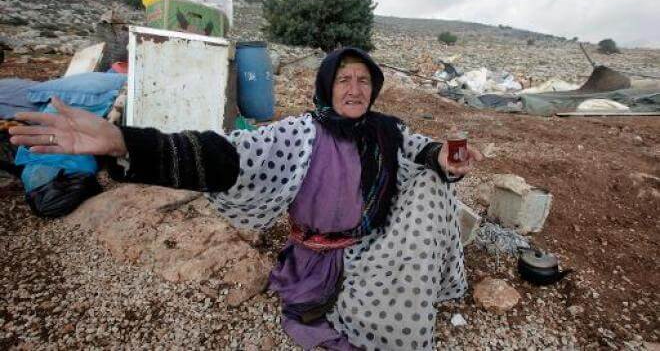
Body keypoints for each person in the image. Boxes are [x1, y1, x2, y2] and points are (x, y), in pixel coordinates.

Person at [10, 47, 482, 350]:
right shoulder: (300, 132)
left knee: (429, 179)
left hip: (373, 249)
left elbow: (422, 148)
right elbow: (227, 155)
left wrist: (446, 158)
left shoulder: (386, 129)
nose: (355, 89)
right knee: (327, 315)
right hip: (318, 256)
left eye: (363, 80)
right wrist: (124, 142)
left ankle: (408, 290)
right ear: (326, 86)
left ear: (374, 88)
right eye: (344, 80)